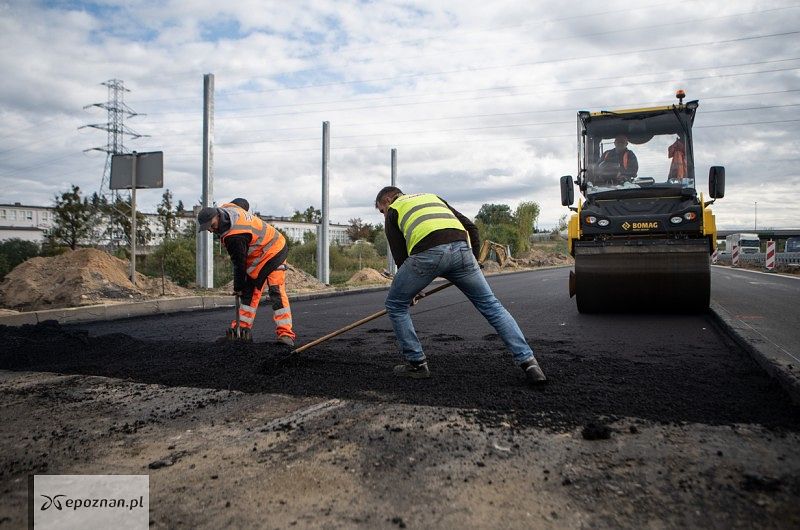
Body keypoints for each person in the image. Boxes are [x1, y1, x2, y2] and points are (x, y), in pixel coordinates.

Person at [375, 186, 547, 386]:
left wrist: (411, 291)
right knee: (492, 306)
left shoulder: (394, 211)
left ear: (387, 200)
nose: (383, 214)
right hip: (462, 251)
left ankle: (417, 364)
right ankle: (529, 362)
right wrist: (473, 261)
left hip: (427, 255)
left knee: (396, 305)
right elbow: (471, 227)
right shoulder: (433, 197)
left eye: (381, 210)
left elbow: (401, 259)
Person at [197, 201, 296, 347]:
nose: (211, 231)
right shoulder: (228, 207)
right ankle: (242, 330)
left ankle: (285, 335)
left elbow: (239, 264)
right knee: (249, 293)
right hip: (257, 257)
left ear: (217, 216)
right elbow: (242, 202)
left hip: (274, 250)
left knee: (276, 291)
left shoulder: (234, 236)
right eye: (208, 229)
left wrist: (238, 287)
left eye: (212, 226)